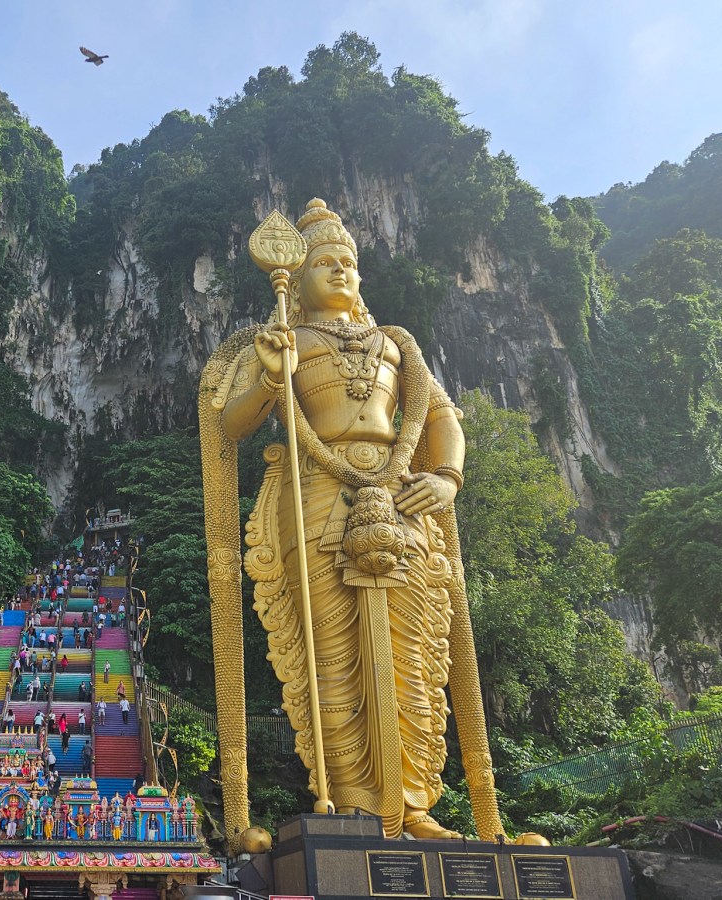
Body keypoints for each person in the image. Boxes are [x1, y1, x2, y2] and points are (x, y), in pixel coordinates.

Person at [203, 199, 494, 841]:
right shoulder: (284, 341)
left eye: (348, 262)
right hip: (314, 495)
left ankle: (414, 807)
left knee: (412, 650)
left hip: (399, 496)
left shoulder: (396, 343)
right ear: (299, 274)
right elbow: (230, 425)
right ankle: (357, 805)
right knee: (330, 655)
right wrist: (270, 379)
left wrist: (446, 477)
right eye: (324, 262)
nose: (339, 270)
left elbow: (440, 417)